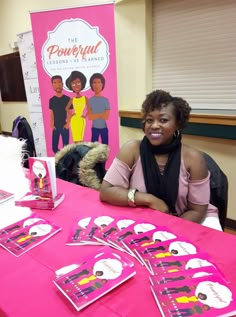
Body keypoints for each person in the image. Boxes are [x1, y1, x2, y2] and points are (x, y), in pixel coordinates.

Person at [100, 89, 220, 227]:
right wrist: (148, 199)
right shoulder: (132, 150)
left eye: (163, 120)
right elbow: (106, 191)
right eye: (149, 120)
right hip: (144, 220)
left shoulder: (194, 159)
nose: (155, 126)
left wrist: (167, 229)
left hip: (185, 222)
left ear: (177, 124)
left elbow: (197, 211)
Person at [65, 71, 89, 143]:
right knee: (75, 138)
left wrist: (85, 116)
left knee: (80, 137)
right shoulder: (72, 99)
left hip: (81, 120)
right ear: (71, 86)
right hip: (74, 120)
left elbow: (89, 109)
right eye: (73, 84)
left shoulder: (85, 98)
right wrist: (72, 114)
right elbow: (66, 108)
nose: (76, 85)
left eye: (78, 82)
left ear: (82, 83)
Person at [49, 75, 71, 154]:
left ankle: (65, 162)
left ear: (62, 84)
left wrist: (68, 124)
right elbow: (51, 113)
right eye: (55, 83)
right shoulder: (52, 100)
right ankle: (59, 160)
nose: (57, 84)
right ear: (52, 85)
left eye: (59, 82)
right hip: (55, 127)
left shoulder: (67, 99)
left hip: (64, 126)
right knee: (54, 147)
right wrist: (51, 124)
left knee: (66, 147)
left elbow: (70, 113)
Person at [88, 73, 110, 144]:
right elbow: (90, 117)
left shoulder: (105, 100)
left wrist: (96, 115)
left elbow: (106, 116)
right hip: (94, 128)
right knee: (93, 148)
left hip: (104, 128)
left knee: (105, 147)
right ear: (91, 85)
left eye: (99, 82)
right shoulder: (90, 100)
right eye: (94, 82)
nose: (96, 85)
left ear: (102, 84)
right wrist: (101, 114)